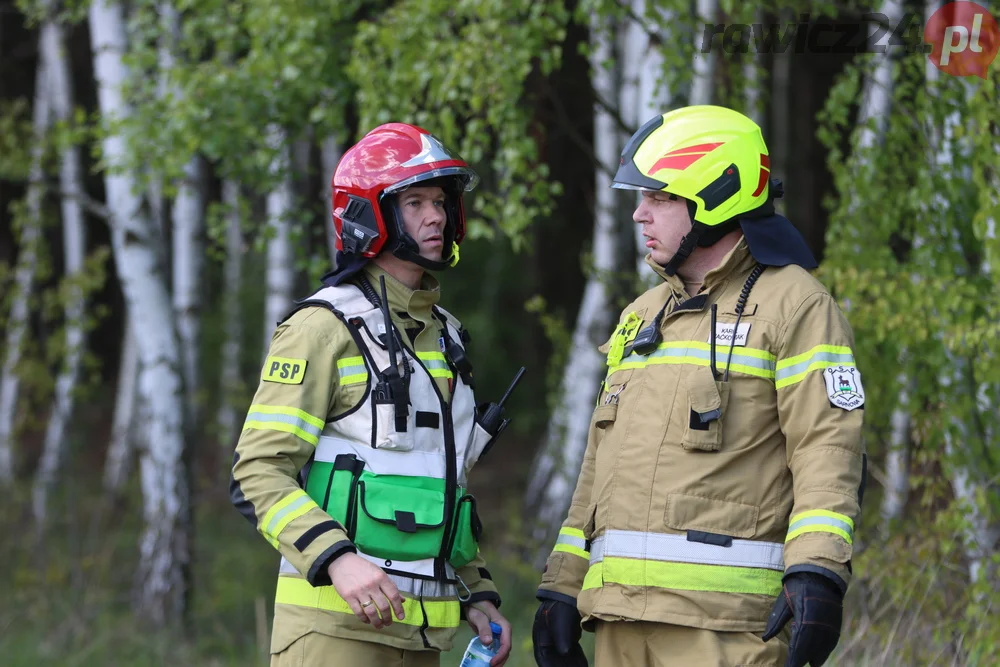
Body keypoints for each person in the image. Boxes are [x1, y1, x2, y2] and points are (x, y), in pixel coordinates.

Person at [531, 105, 867, 667]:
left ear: (717, 196)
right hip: (617, 626)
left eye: (658, 198)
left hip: (727, 631)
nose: (639, 215)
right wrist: (562, 587)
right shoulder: (640, 315)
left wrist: (817, 570)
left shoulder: (797, 305)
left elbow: (828, 448)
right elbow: (598, 463)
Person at [231, 122, 512, 667]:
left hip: (426, 638)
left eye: (441, 201)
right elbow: (258, 471)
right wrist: (337, 560)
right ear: (368, 214)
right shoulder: (322, 327)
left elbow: (441, 482)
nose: (436, 216)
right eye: (414, 202)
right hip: (334, 632)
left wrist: (476, 592)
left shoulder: (447, 336)